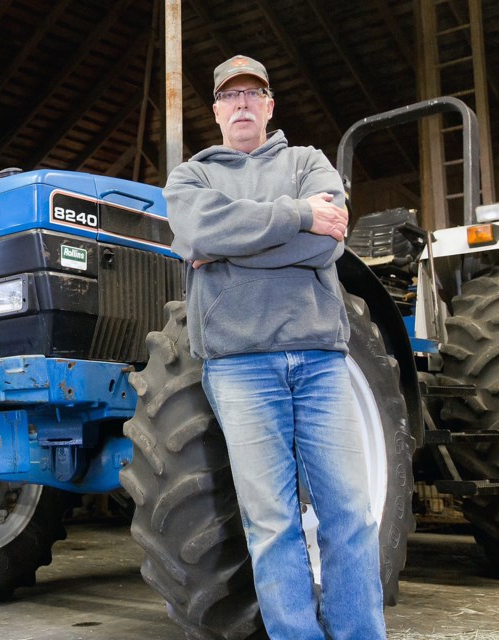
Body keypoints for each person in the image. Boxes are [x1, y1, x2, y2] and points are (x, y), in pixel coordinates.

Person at [162, 55, 385, 639]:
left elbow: (326, 247)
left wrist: (232, 247)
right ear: (214, 110)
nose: (241, 104)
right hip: (238, 366)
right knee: (271, 522)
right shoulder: (192, 177)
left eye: (251, 93)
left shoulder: (307, 162)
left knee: (350, 516)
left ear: (268, 105)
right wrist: (296, 218)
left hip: (320, 359)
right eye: (229, 96)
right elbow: (197, 232)